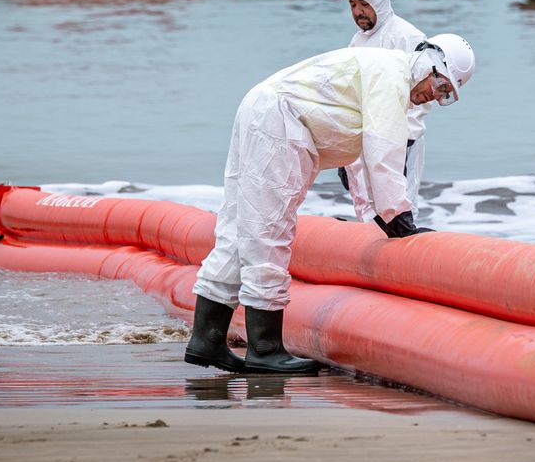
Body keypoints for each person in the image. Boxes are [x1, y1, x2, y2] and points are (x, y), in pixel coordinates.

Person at [185, 35, 475, 374]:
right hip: (279, 122)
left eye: (445, 97)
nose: (435, 97)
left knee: (239, 229)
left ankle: (207, 338)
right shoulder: (393, 78)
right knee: (269, 230)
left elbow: (365, 159)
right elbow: (384, 156)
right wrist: (400, 221)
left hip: (265, 112)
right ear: (430, 63)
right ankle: (264, 347)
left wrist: (380, 216)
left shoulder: (383, 71)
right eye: (441, 85)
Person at [335, 0, 433, 227]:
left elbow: (421, 97)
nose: (358, 12)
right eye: (353, 5)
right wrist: (345, 155)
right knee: (369, 215)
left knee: (402, 211)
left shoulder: (408, 37)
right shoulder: (356, 42)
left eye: (364, 4)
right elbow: (350, 98)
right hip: (365, 145)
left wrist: (404, 143)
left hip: (401, 144)